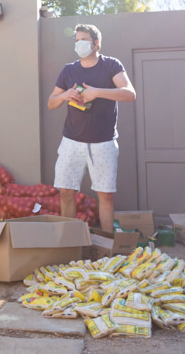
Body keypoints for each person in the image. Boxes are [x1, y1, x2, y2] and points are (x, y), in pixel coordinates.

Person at [47, 23, 136, 233]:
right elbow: (51, 103)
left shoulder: (111, 65)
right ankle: (69, 242)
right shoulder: (69, 70)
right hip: (71, 141)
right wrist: (64, 95)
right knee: (66, 192)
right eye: (76, 40)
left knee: (105, 196)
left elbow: (129, 94)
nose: (79, 44)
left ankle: (107, 244)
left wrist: (97, 92)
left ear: (96, 43)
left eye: (84, 40)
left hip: (103, 143)